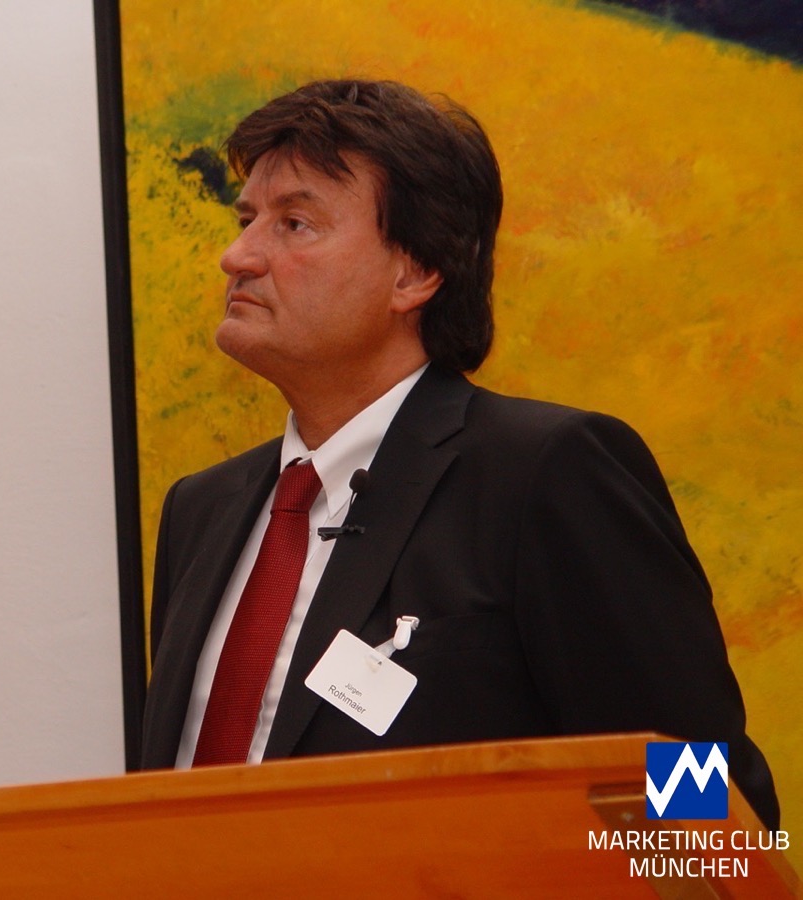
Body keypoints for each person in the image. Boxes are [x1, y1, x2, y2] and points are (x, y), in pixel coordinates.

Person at [139, 79, 778, 830]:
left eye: (295, 223)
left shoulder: (545, 474)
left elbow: (702, 798)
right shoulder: (201, 509)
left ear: (414, 273)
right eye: (247, 220)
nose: (237, 256)